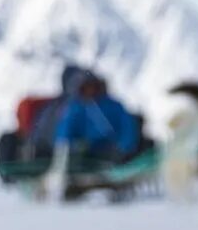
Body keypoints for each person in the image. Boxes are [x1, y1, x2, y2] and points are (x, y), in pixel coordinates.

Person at [44, 66, 139, 197]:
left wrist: (124, 147)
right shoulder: (75, 108)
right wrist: (68, 146)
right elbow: (64, 130)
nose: (90, 90)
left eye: (92, 86)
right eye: (86, 87)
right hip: (87, 152)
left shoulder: (114, 106)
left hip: (113, 150)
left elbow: (128, 128)